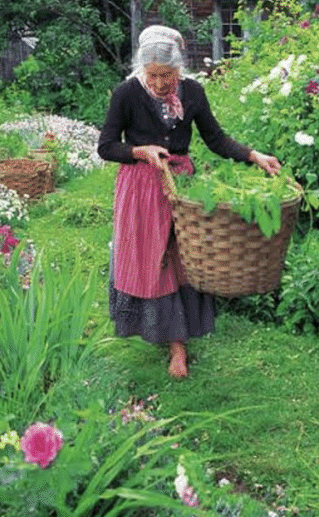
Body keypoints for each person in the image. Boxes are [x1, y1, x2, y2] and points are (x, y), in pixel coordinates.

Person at [98, 25, 281, 378]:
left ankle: (178, 345)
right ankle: (167, 342)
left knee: (181, 259)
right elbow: (106, 146)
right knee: (150, 259)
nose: (159, 83)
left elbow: (215, 138)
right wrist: (139, 150)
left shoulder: (193, 93)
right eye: (152, 75)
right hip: (140, 187)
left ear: (178, 69)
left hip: (181, 186)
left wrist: (253, 156)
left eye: (166, 75)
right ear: (142, 69)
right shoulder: (126, 94)